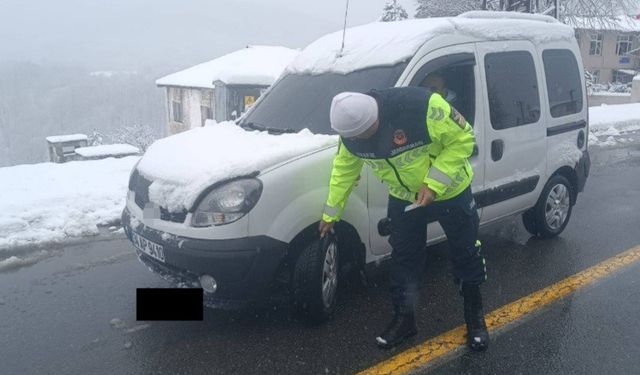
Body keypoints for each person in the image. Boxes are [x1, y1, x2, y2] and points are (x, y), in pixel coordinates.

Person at [318, 87, 489, 351]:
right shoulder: (351, 136)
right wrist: (331, 214)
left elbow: (464, 139)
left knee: (465, 252)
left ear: (375, 118)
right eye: (356, 138)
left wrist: (433, 184)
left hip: (451, 190)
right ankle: (404, 320)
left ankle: (475, 319)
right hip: (405, 197)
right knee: (403, 259)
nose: (363, 141)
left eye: (367, 133)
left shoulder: (422, 107)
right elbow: (344, 170)